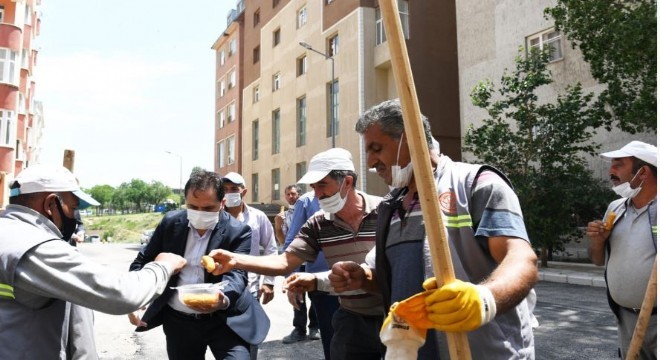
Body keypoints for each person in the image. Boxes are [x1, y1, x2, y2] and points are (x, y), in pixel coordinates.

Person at [330, 99, 538, 359]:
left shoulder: (477, 184)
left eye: (376, 148)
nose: (371, 162)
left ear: (411, 138)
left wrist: (484, 299)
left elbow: (521, 259)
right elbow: (390, 280)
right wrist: (361, 277)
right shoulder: (390, 206)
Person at [210, 148, 383, 360]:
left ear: (347, 182)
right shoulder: (318, 223)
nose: (317, 194)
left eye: (322, 185)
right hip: (351, 318)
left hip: (396, 314)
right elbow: (285, 261)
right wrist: (235, 260)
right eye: (313, 186)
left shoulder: (385, 210)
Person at [0, 164, 186, 359]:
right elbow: (122, 294)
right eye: (72, 208)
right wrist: (164, 265)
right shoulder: (37, 247)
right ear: (50, 205)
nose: (74, 217)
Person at [128, 170, 270, 360]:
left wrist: (222, 299)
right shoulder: (170, 224)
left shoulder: (238, 231)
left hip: (225, 320)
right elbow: (142, 262)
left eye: (208, 208)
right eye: (193, 207)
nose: (200, 214)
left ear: (223, 204)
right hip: (179, 321)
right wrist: (135, 298)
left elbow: (237, 275)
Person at [586, 141, 657, 359]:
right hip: (625, 318)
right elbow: (598, 260)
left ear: (642, 172)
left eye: (618, 165)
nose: (610, 171)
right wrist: (598, 240)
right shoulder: (615, 209)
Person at [221, 172, 278, 360]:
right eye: (225, 189)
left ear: (243, 191)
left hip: (249, 288)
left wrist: (269, 282)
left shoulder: (258, 218)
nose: (229, 193)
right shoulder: (214, 216)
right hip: (220, 289)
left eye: (234, 189)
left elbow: (270, 248)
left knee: (249, 340)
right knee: (222, 342)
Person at [274, 184, 321, 344]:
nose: (290, 197)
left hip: (313, 258)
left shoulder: (311, 204)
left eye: (293, 193)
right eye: (287, 194)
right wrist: (278, 225)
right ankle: (299, 329)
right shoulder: (285, 215)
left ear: (299, 195)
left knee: (316, 293)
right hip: (296, 257)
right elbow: (283, 240)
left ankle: (315, 326)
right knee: (298, 294)